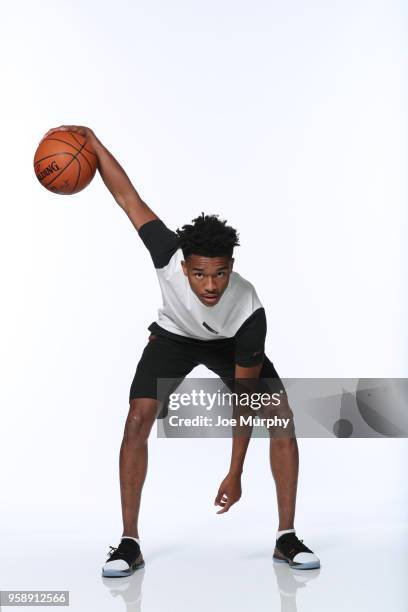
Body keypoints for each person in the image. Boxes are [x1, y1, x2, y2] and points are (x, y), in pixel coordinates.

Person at [41, 125, 321, 575]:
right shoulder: (167, 253)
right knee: (137, 416)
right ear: (184, 266)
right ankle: (129, 542)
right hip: (173, 337)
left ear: (231, 267)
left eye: (220, 274)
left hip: (230, 341)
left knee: (281, 415)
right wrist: (91, 142)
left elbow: (242, 403)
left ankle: (285, 537)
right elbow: (127, 198)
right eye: (199, 275)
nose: (210, 285)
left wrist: (236, 472)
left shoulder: (250, 312)